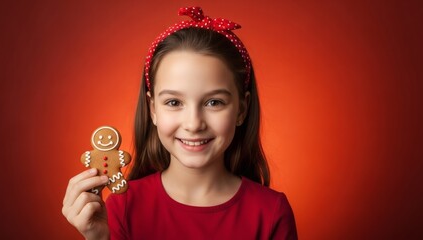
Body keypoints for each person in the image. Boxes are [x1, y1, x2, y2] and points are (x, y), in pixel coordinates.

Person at [62, 6, 298, 240]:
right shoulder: (121, 208)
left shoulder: (272, 212)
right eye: (174, 102)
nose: (194, 124)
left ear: (242, 109)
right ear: (153, 109)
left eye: (214, 102)